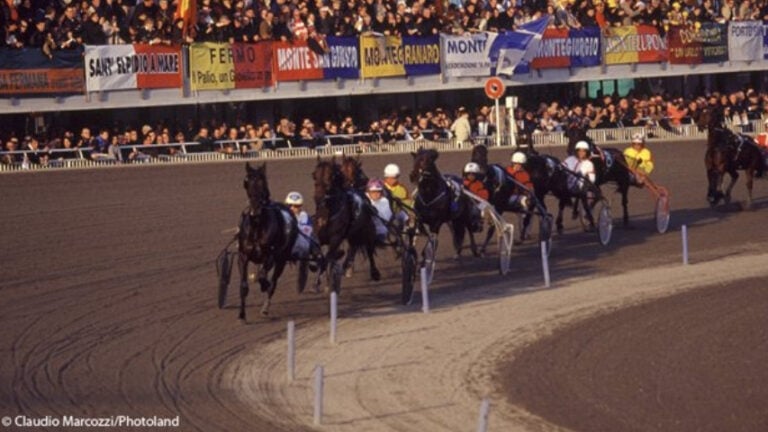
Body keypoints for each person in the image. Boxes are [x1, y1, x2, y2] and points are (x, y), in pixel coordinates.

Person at [285, 191, 313, 259]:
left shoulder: (304, 216)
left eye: (296, 206)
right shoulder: (284, 216)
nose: (292, 208)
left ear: (300, 207)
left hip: (299, 245)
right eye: (290, 205)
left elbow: (305, 233)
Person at [462, 162, 487, 232]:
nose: (471, 176)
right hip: (465, 205)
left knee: (482, 209)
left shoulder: (480, 184)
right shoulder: (462, 183)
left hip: (477, 204)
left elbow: (484, 196)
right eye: (468, 174)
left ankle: (479, 223)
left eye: (473, 174)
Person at [366, 178, 392, 243]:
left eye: (378, 191)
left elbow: (386, 218)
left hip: (379, 230)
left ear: (381, 192)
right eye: (373, 192)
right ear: (368, 192)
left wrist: (375, 213)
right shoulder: (364, 200)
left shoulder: (384, 201)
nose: (375, 194)